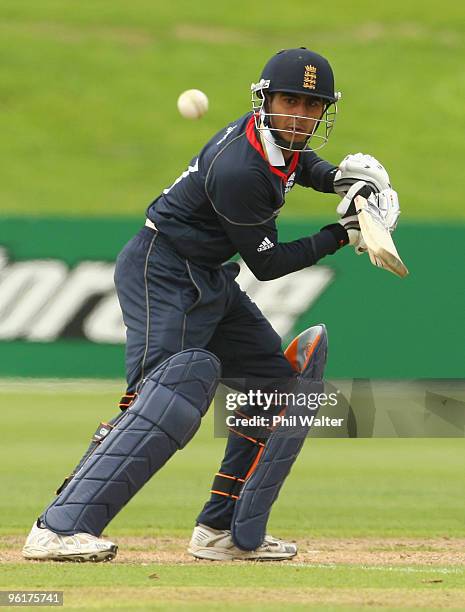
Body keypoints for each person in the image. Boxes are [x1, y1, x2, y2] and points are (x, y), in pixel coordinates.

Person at [23, 47, 399, 562]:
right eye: (291, 101)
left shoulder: (274, 139)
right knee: (162, 399)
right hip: (162, 270)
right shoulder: (239, 170)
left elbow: (301, 165)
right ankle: (59, 527)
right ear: (265, 101)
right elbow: (267, 264)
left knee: (274, 385)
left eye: (313, 105)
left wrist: (342, 182)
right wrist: (341, 233)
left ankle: (220, 531)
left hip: (206, 277)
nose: (301, 115)